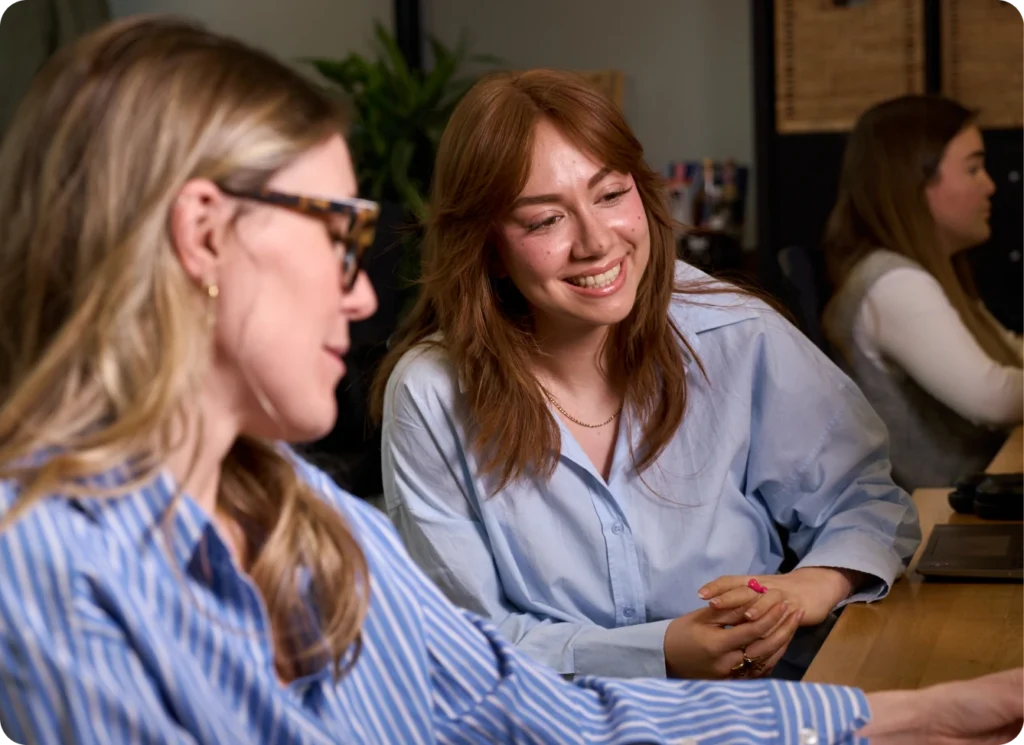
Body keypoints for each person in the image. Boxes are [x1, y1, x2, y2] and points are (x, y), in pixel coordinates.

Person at [2, 16, 1023, 745]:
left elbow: (535, 706)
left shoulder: (297, 505)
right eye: (338, 229)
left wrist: (909, 713)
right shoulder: (43, 563)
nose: (359, 300)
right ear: (202, 233)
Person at [374, 69, 920, 684]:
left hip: (751, 706)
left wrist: (810, 587)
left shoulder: (730, 329)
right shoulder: (433, 393)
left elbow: (865, 499)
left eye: (610, 195)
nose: (596, 242)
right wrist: (656, 651)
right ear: (487, 248)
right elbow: (463, 641)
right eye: (544, 220)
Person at [822, 95, 1024, 491]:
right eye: (974, 168)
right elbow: (994, 398)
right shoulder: (893, 283)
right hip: (943, 517)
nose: (990, 185)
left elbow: (1010, 349)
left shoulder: (923, 271)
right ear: (914, 182)